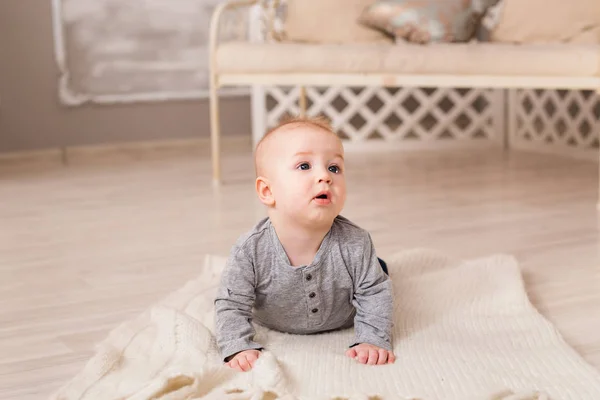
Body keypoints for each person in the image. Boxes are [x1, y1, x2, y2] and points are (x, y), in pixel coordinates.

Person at [214, 116, 395, 372]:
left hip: (343, 314)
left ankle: (378, 266)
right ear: (267, 191)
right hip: (274, 319)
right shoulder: (251, 250)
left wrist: (372, 338)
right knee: (232, 284)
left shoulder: (356, 242)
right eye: (304, 166)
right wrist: (238, 345)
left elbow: (374, 293)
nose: (324, 176)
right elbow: (231, 303)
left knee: (378, 278)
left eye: (334, 168)